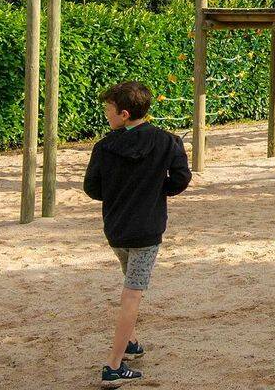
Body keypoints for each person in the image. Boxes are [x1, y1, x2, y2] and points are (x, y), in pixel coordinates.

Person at [83, 81, 191, 388]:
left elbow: (92, 189)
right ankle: (113, 366)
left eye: (108, 110)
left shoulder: (104, 147)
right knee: (132, 295)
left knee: (129, 283)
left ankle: (131, 344)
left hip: (116, 229)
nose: (106, 115)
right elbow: (181, 178)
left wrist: (119, 195)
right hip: (147, 230)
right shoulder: (168, 141)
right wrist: (156, 192)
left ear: (125, 114)